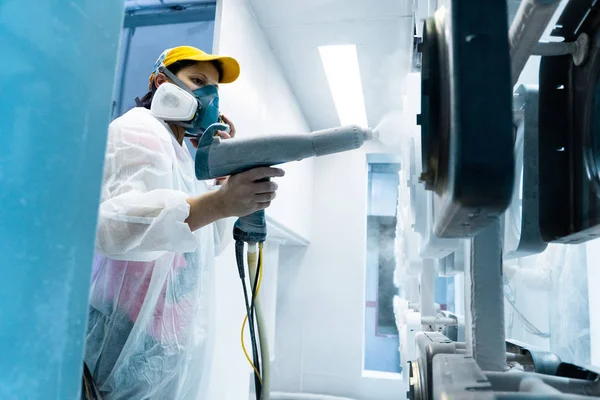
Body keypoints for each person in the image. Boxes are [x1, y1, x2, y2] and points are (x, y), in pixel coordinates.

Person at [84, 46, 284, 399]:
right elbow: (112, 226)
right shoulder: (138, 130)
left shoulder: (180, 155)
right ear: (162, 83)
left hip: (159, 348)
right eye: (197, 81)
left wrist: (221, 187)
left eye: (215, 91)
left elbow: (204, 245)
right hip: (121, 340)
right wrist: (219, 202)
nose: (209, 97)